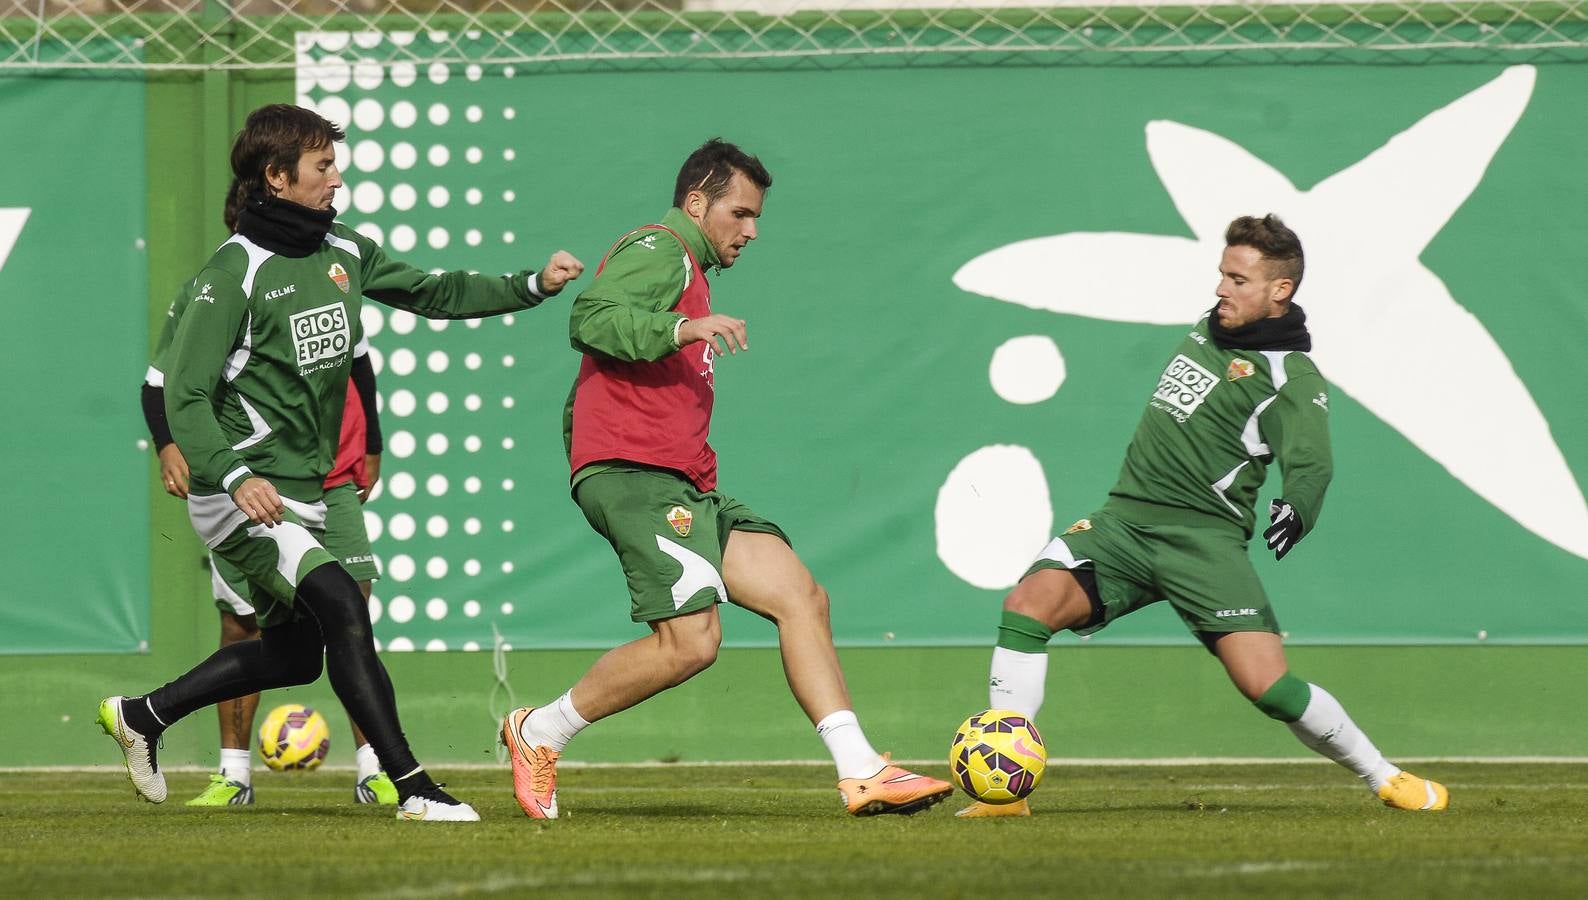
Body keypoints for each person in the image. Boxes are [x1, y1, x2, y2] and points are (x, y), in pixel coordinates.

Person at [98, 103, 584, 822]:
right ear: (276, 177)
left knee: (296, 655)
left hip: (307, 487)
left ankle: (143, 715)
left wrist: (531, 286)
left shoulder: (342, 250)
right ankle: (412, 785)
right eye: (322, 166)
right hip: (239, 494)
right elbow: (185, 399)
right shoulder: (233, 272)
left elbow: (433, 292)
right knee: (342, 608)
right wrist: (236, 476)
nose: (338, 178)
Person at [499, 138, 954, 820]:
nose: (752, 230)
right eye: (740, 213)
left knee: (801, 595)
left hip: (683, 483)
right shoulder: (660, 249)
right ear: (696, 202)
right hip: (634, 474)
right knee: (691, 643)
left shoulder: (692, 271)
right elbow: (590, 318)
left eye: (757, 217)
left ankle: (862, 770)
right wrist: (686, 328)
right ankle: (539, 731)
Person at [958, 214, 1448, 818]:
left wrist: (1299, 506)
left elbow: (1312, 462)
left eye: (1239, 280)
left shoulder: (1290, 380)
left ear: (1280, 291)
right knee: (1026, 608)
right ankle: (1008, 794)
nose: (1221, 290)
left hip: (1201, 544)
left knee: (1269, 688)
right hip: (1124, 524)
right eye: (1222, 274)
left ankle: (1385, 776)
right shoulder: (1210, 328)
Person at [143, 285, 398, 806]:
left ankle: (379, 770)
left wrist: (371, 443)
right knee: (244, 626)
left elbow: (360, 361)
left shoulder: (329, 272)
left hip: (329, 479)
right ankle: (233, 774)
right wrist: (168, 443)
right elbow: (162, 383)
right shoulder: (214, 290)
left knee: (352, 616)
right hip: (250, 483)